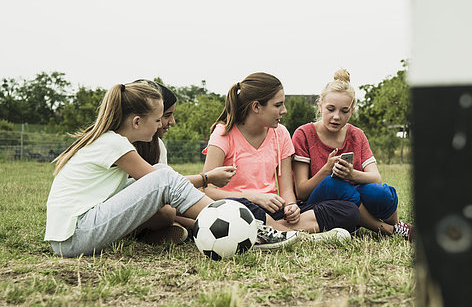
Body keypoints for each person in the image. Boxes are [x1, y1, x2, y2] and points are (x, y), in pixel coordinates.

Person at [44, 82, 291, 257]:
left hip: (72, 236)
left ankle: (224, 225)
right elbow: (162, 182)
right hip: (75, 236)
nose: (162, 124)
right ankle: (247, 229)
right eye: (157, 120)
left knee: (152, 183)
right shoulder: (114, 143)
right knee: (162, 177)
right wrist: (206, 178)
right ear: (137, 122)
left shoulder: (110, 141)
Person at [202, 72, 360, 241]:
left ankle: (272, 232)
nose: (284, 111)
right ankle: (298, 236)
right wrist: (254, 197)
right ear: (256, 107)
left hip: (273, 209)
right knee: (246, 209)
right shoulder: (223, 134)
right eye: (278, 105)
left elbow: (286, 189)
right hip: (239, 208)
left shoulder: (281, 133)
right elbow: (207, 190)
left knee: (349, 211)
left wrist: (291, 206)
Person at [291, 69, 414, 241]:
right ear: (320, 106)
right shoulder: (304, 134)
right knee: (335, 184)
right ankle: (388, 230)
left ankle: (397, 225)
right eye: (330, 109)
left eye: (344, 111)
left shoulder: (357, 135)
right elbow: (301, 192)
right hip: (318, 202)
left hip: (351, 200)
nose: (336, 117)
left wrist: (352, 174)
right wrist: (326, 170)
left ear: (352, 110)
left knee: (379, 191)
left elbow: (375, 177)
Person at [131, 80, 236, 245]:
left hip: (147, 209)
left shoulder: (157, 146)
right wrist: (206, 178)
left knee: (171, 209)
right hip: (124, 212)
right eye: (166, 116)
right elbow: (163, 184)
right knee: (167, 212)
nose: (172, 122)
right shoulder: (122, 147)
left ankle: (170, 229)